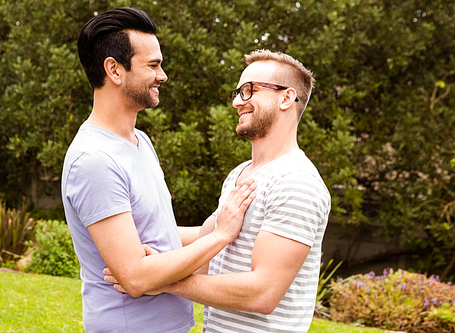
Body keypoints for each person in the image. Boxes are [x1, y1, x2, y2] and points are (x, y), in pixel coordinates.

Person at [105, 49, 331, 332]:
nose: (238, 102)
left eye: (249, 90)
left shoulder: (297, 182)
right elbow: (206, 245)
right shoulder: (241, 173)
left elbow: (262, 293)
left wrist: (162, 281)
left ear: (286, 97)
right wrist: (125, 239)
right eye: (237, 92)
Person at [61, 7, 256, 333]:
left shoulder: (140, 141)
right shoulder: (94, 160)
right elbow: (135, 277)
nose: (162, 75)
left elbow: (158, 231)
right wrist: (221, 235)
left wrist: (226, 221)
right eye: (153, 65)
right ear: (114, 70)